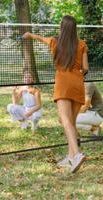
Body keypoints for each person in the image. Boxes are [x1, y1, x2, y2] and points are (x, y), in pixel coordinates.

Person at [23, 15, 89, 173]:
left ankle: (77, 155)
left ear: (62, 27)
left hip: (63, 84)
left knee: (65, 121)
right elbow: (85, 68)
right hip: (78, 84)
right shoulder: (82, 44)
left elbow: (41, 39)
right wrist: (78, 72)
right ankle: (70, 156)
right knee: (71, 123)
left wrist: (30, 35)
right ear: (74, 28)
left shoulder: (54, 41)